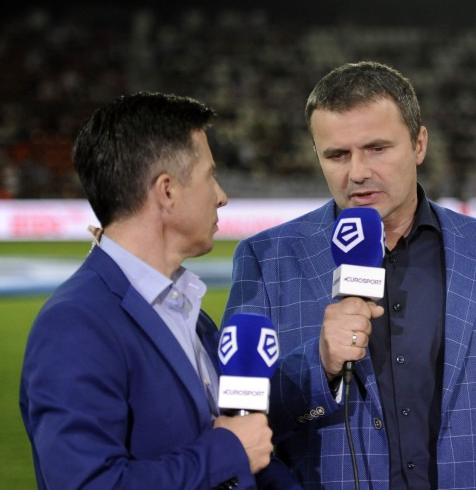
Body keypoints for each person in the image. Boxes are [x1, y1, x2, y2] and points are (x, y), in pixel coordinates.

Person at [223, 61, 476, 489]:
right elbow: (236, 426)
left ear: (419, 144)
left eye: (377, 149)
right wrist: (320, 364)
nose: (357, 172)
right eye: (337, 155)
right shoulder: (266, 258)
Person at [20, 92, 299, 490]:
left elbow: (250, 448)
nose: (221, 196)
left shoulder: (187, 312)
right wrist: (227, 452)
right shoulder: (74, 325)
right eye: (210, 176)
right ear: (167, 191)